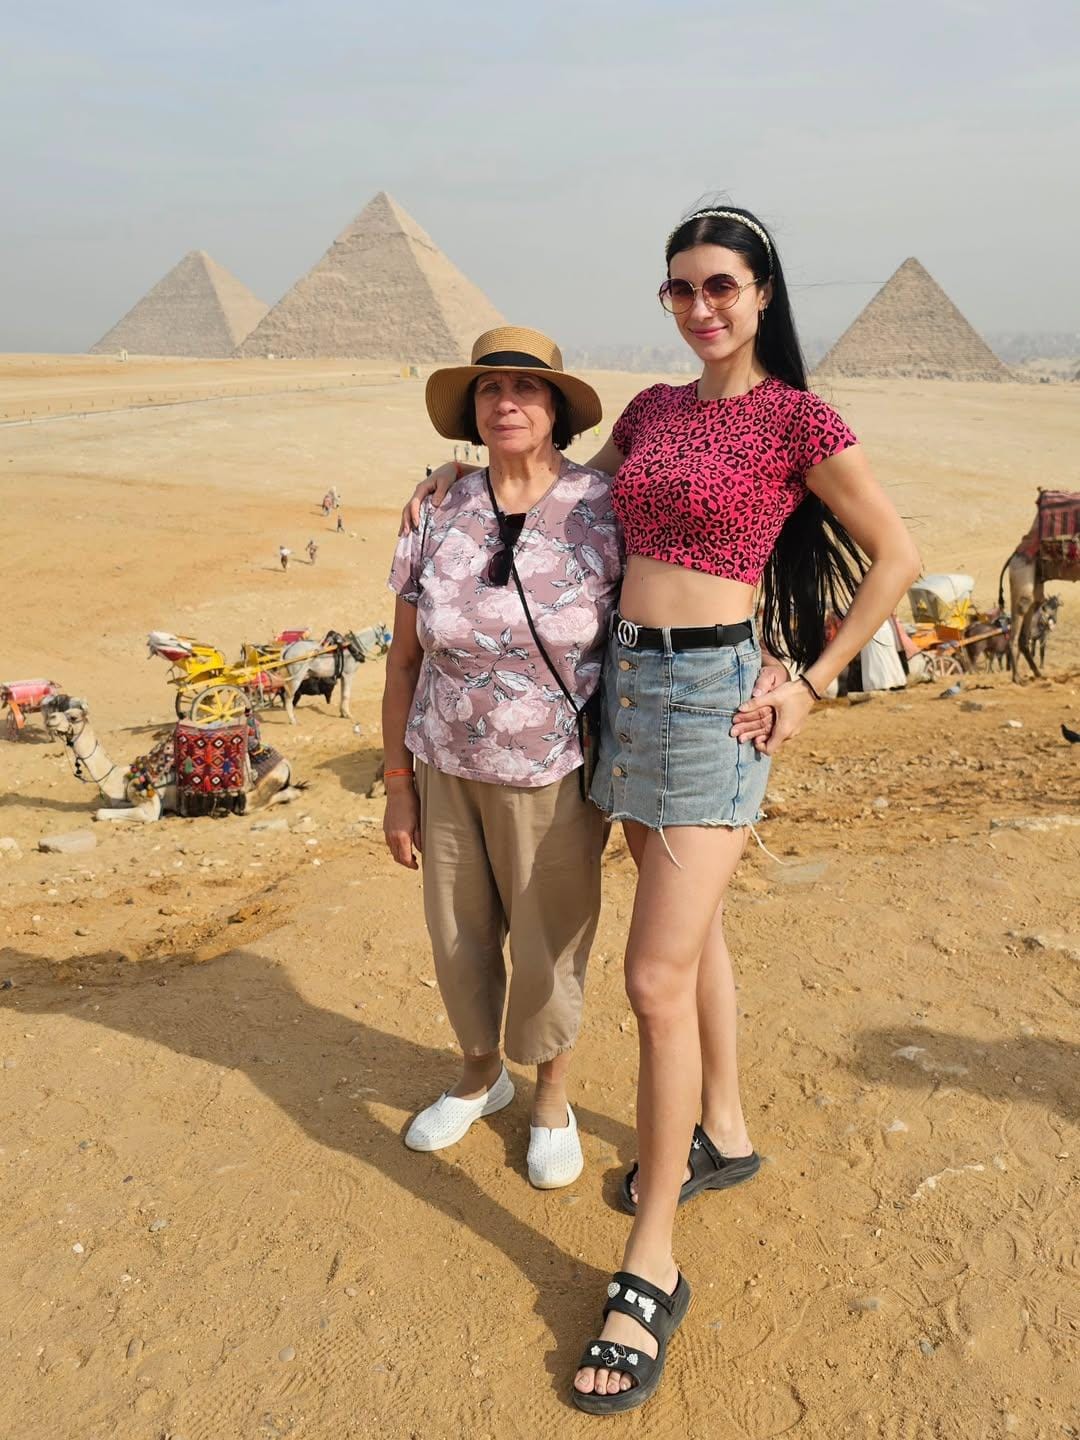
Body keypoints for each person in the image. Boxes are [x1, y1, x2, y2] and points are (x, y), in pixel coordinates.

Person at [408, 205, 920, 1413]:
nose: (701, 308)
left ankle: (650, 1263)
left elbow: (896, 551)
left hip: (712, 699)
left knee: (649, 977)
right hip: (624, 690)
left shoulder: (799, 417)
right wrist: (465, 485)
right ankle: (724, 1132)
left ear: (763, 293)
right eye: (682, 289)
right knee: (696, 944)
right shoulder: (648, 411)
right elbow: (561, 496)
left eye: (722, 287)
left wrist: (814, 680)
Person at [382, 326, 622, 1190]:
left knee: (550, 942)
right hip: (444, 763)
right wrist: (399, 784)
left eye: (527, 388)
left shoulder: (603, 507)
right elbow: (404, 660)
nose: (507, 402)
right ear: (471, 410)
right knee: (460, 936)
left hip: (553, 772)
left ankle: (551, 1094)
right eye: (490, 390)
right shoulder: (437, 508)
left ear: (556, 408)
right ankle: (481, 1074)